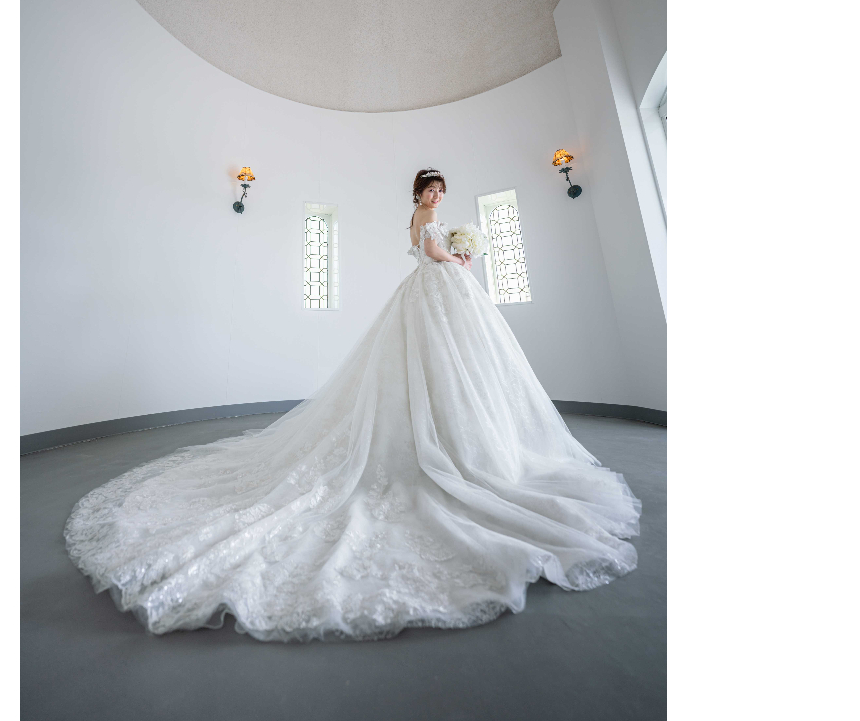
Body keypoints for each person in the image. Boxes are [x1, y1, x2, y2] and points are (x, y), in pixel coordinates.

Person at [64, 168, 641, 642]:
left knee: (452, 369)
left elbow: (428, 249)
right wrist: (459, 259)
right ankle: (444, 446)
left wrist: (454, 255)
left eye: (441, 190)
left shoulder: (422, 219)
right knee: (438, 365)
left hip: (434, 294)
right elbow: (432, 252)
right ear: (419, 193)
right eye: (431, 189)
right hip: (439, 289)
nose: (437, 196)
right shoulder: (427, 223)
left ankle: (456, 434)